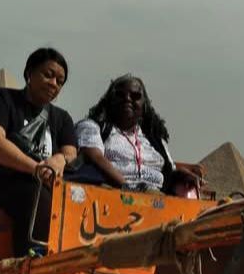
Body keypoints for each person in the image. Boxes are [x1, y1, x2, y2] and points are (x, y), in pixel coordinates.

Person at [0, 47, 78, 257]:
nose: (53, 84)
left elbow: (71, 153)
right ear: (29, 73)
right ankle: (30, 265)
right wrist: (37, 169)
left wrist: (59, 159)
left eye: (60, 81)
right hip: (3, 181)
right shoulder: (2, 99)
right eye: (48, 75)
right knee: (36, 195)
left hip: (46, 184)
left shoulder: (62, 118)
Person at [72, 74, 202, 193]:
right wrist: (128, 188)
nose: (127, 99)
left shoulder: (155, 140)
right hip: (111, 193)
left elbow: (170, 170)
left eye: (135, 96)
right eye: (120, 95)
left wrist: (183, 175)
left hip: (157, 197)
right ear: (110, 100)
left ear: (144, 105)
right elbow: (96, 157)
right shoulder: (93, 127)